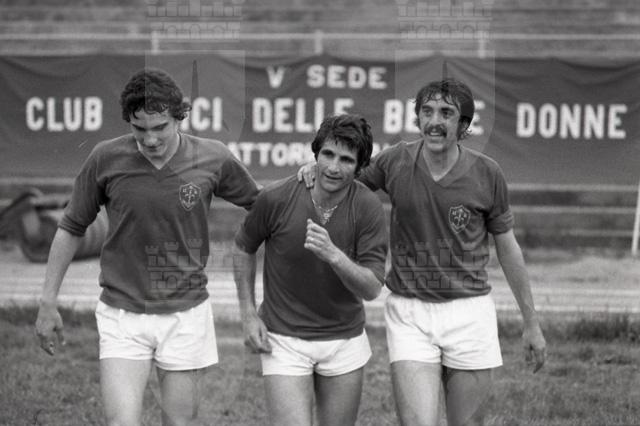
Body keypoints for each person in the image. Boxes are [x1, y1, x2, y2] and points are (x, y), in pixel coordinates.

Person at [299, 78, 547, 426]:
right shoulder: (395, 160)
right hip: (410, 312)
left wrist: (531, 323)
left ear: (463, 124)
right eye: (427, 111)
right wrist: (316, 170)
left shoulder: (488, 172)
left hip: (470, 312)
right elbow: (343, 182)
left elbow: (508, 248)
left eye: (446, 113)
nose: (434, 121)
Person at [35, 68, 260, 426]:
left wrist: (305, 183)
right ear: (128, 120)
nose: (150, 139)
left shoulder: (213, 157)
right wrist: (48, 302)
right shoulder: (105, 158)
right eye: (139, 129)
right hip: (122, 312)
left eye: (160, 127)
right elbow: (70, 227)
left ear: (179, 117)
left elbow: (262, 204)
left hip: (186, 313)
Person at [233, 114, 388, 426]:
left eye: (346, 160)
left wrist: (334, 256)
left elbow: (372, 288)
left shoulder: (368, 207)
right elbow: (243, 247)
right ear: (315, 153)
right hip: (283, 338)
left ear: (359, 166)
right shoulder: (276, 197)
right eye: (327, 154)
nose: (333, 167)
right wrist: (248, 313)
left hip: (344, 339)